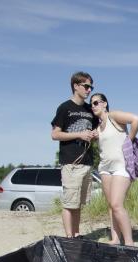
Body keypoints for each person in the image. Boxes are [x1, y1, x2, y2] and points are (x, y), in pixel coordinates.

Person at [51, 71, 99, 238]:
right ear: (75, 86)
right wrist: (79, 135)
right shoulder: (65, 108)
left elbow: (95, 130)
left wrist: (93, 135)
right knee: (69, 203)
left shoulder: (89, 109)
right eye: (86, 86)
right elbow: (55, 134)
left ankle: (76, 235)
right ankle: (69, 237)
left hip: (87, 162)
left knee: (78, 204)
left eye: (91, 87)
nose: (89, 90)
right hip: (71, 162)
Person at [90, 93, 138, 246]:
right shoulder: (98, 127)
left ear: (104, 104)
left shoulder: (113, 116)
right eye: (91, 104)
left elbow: (136, 119)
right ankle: (115, 238)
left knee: (117, 205)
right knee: (111, 206)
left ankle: (129, 242)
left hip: (121, 166)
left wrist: (129, 139)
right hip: (105, 168)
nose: (93, 106)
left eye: (96, 102)